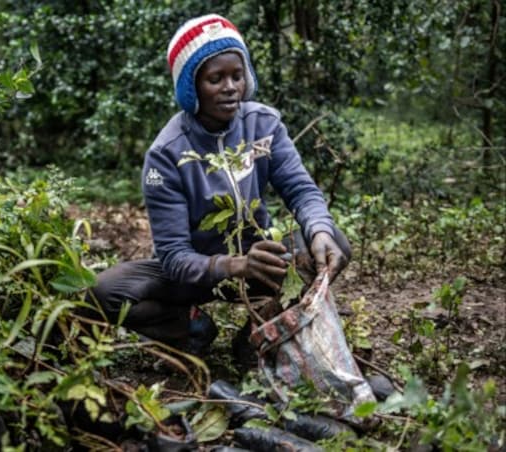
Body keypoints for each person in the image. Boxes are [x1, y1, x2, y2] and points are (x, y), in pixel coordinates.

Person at [86, 14, 350, 357]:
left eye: (237, 76)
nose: (230, 88)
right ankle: (191, 329)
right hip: (191, 276)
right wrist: (235, 265)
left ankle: (260, 334)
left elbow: (301, 191)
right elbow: (173, 256)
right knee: (103, 291)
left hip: (259, 263)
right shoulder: (166, 153)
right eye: (216, 78)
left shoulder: (264, 125)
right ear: (191, 86)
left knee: (332, 241)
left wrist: (318, 231)